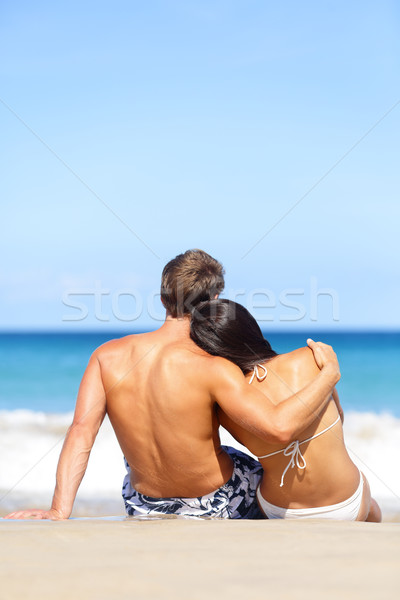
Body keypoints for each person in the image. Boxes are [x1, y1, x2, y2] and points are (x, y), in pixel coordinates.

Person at [5, 250, 340, 520]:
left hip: (144, 505)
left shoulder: (106, 356)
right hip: (216, 506)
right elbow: (278, 430)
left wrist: (59, 510)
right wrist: (327, 376)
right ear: (215, 299)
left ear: (163, 297)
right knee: (267, 470)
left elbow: (81, 431)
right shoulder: (214, 367)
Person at [190, 298, 381, 521]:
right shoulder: (309, 358)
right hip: (345, 503)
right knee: (372, 508)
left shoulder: (226, 408)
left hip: (278, 509)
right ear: (251, 327)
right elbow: (339, 417)